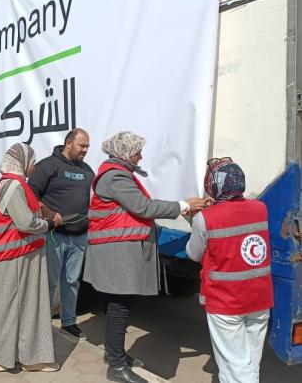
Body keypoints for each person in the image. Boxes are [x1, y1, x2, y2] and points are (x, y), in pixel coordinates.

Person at [84, 131, 207, 383]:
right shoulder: (116, 176)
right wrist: (183, 206)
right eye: (137, 151)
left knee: (116, 305)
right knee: (119, 307)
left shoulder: (116, 174)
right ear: (125, 153)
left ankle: (114, 354)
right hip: (117, 253)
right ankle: (117, 367)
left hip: (116, 250)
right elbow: (144, 207)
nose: (140, 156)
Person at [186, 158, 273, 383]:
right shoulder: (260, 208)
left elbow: (194, 254)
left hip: (225, 302)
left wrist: (194, 219)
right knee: (251, 361)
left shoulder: (206, 218)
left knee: (234, 364)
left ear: (213, 185)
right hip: (260, 298)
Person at [0, 143, 63, 373]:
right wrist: (49, 223)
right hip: (10, 257)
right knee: (5, 306)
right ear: (22, 162)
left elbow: (29, 207)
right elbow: (25, 222)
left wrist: (43, 209)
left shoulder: (17, 184)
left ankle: (31, 356)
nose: (34, 167)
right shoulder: (12, 184)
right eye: (32, 162)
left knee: (30, 306)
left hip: (24, 254)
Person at [27, 128, 94, 340]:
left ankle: (69, 322)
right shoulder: (47, 166)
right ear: (68, 143)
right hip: (54, 235)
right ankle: (41, 325)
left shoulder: (87, 170)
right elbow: (31, 196)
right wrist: (49, 213)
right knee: (49, 282)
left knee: (72, 281)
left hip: (79, 236)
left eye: (87, 146)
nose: (85, 150)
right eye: (82, 145)